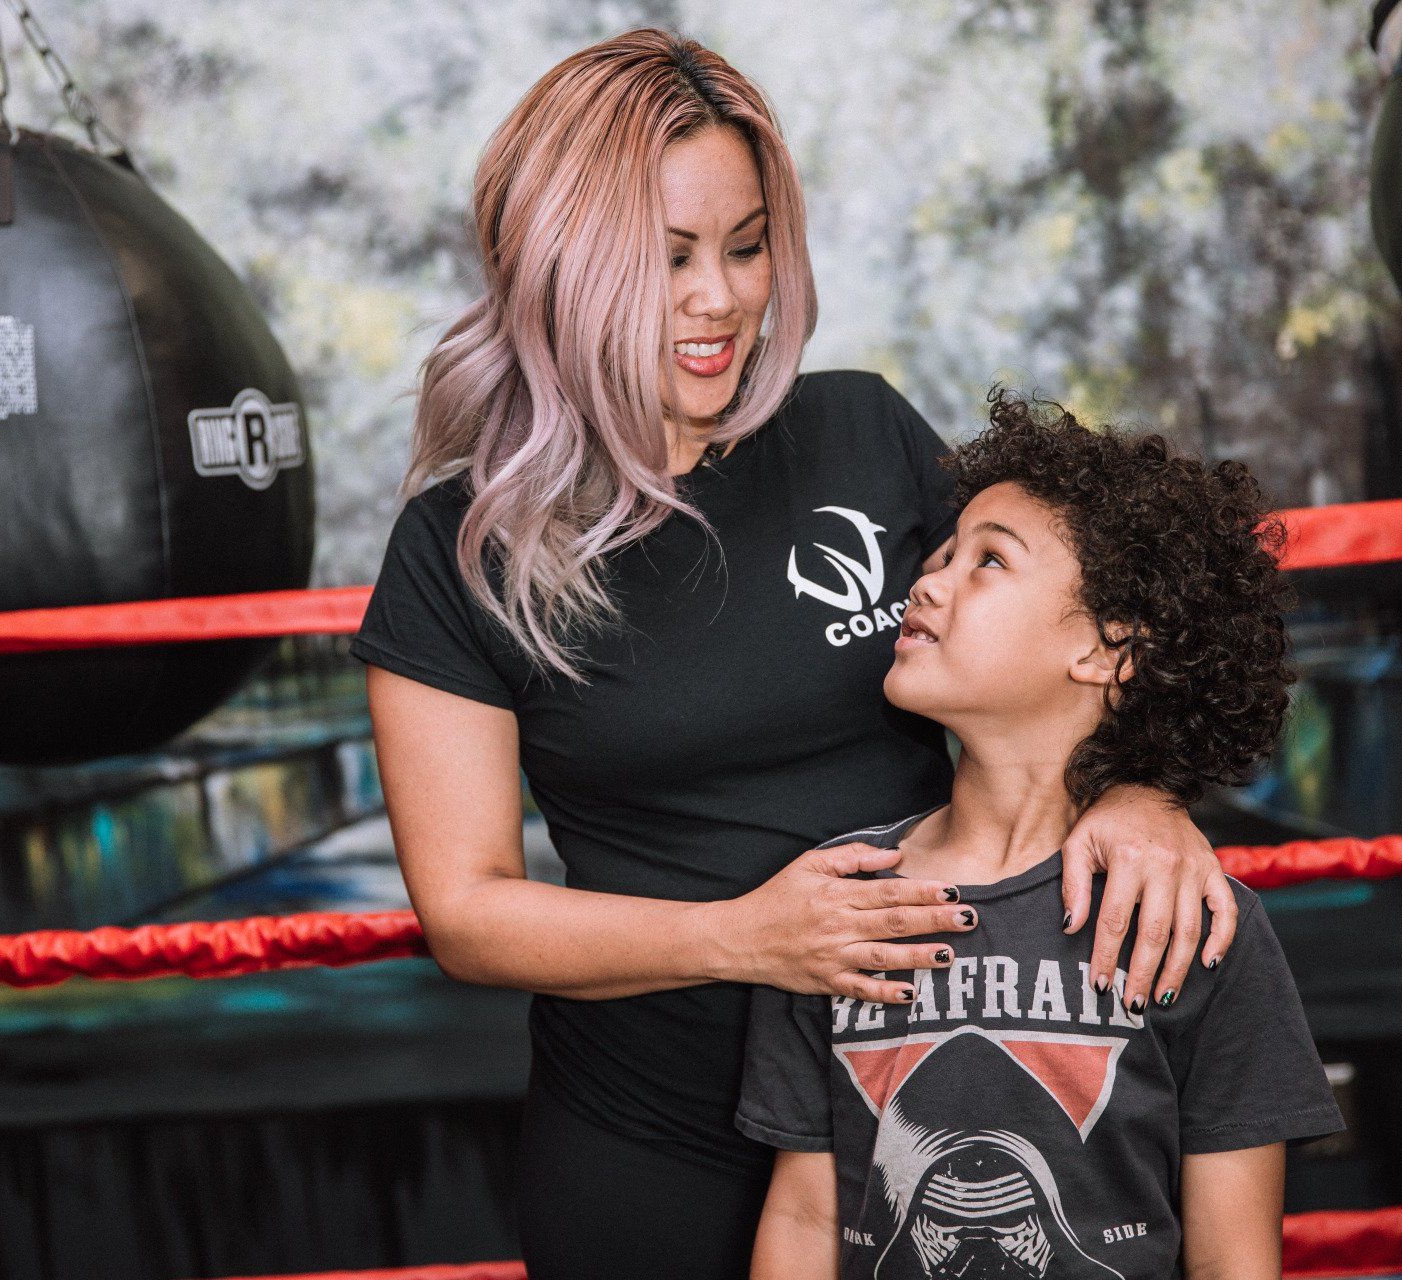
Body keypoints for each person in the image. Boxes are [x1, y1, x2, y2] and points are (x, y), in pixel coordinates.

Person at [349, 28, 1238, 1280]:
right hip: (652, 1142)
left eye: (746, 245)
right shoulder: (461, 549)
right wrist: (743, 936)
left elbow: (1071, 634)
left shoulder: (863, 432)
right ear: (564, 263)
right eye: (669, 257)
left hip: (924, 1113)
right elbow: (469, 911)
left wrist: (1140, 791)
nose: (721, 297)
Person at [738, 391, 1345, 1280]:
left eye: (988, 560)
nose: (927, 583)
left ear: (1106, 650)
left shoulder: (1192, 919)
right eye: (942, 555)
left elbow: (1233, 1261)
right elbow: (803, 1214)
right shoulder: (835, 900)